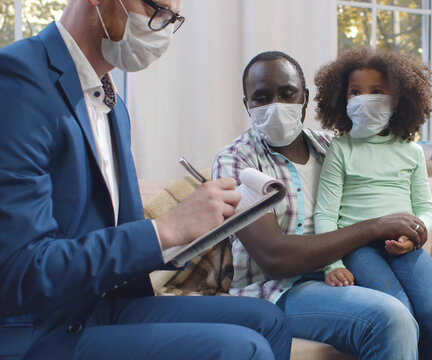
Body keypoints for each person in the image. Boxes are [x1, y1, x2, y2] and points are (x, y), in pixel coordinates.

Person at [0, 1, 291, 359]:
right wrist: (165, 229)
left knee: (268, 320)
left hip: (101, 306)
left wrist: (193, 232)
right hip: (39, 329)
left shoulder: (113, 104)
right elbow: (18, 271)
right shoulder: (18, 81)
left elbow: (121, 233)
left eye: (173, 18)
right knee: (243, 349)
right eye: (155, 7)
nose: (163, 28)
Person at [210, 50, 432, 360]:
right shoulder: (236, 159)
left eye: (287, 94)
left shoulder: (331, 146)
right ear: (247, 104)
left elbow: (390, 161)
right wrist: (375, 228)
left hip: (360, 269)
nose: (276, 105)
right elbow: (274, 257)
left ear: (305, 97)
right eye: (262, 97)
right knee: (392, 315)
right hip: (283, 289)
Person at [313, 47, 432, 359]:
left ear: (398, 99)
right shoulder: (340, 149)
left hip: (406, 245)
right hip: (357, 247)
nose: (365, 99)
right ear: (341, 99)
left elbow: (424, 208)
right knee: (399, 309)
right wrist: (332, 264)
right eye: (355, 92)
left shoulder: (412, 151)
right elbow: (325, 212)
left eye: (376, 91)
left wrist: (415, 235)